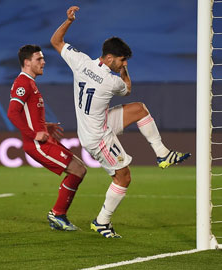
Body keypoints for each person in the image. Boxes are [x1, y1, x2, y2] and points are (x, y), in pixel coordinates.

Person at [50, 6, 191, 238]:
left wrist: (68, 20)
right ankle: (101, 222)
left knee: (139, 109)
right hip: (98, 136)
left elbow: (56, 40)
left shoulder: (81, 62)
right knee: (124, 176)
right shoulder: (112, 81)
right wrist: (125, 73)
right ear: (108, 57)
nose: (123, 64)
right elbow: (127, 89)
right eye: (122, 61)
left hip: (97, 122)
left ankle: (162, 153)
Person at [7, 44, 87, 231]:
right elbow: (13, 113)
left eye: (43, 58)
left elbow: (28, 114)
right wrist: (34, 133)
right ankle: (58, 215)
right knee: (78, 170)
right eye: (39, 59)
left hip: (43, 140)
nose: (44, 62)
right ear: (27, 62)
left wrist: (44, 127)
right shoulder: (22, 83)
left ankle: (58, 215)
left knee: (80, 169)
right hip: (37, 144)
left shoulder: (30, 82)